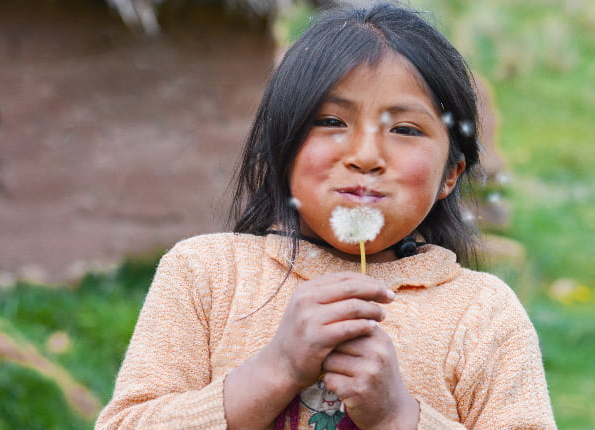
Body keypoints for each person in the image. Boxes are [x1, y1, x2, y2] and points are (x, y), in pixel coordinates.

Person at [95, 2, 556, 429]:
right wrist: (277, 369)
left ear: (451, 174)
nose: (366, 155)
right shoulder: (207, 276)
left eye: (405, 129)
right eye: (332, 122)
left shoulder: (482, 315)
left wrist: (396, 415)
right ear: (283, 146)